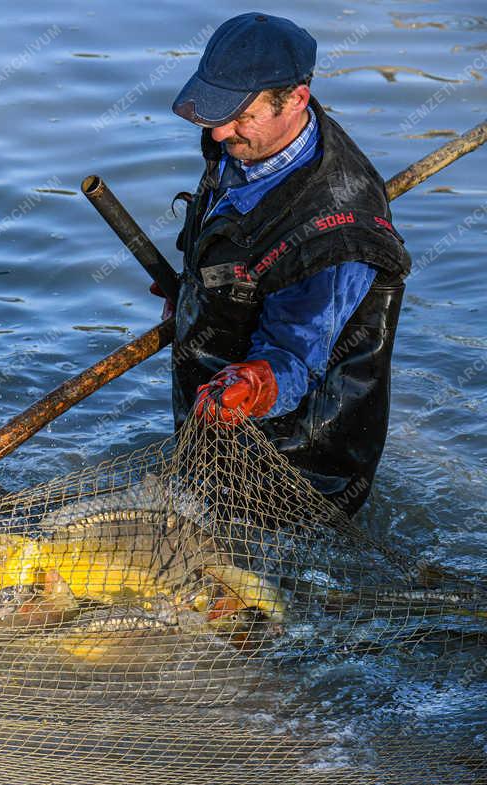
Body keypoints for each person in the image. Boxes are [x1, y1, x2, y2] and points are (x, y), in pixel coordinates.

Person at [163, 13, 410, 515]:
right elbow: (235, 241)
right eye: (216, 110)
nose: (217, 134)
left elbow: (294, 361)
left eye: (239, 116)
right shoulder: (247, 142)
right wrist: (195, 293)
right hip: (212, 444)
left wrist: (253, 385)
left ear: (296, 98)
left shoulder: (336, 235)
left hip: (296, 475)